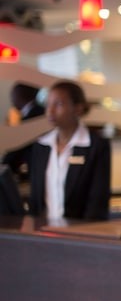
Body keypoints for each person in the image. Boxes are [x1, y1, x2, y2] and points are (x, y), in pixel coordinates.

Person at [28, 81, 111, 220]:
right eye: (48, 104)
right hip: (43, 229)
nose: (50, 111)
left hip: (80, 230)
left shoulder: (96, 146)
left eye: (58, 104)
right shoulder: (41, 145)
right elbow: (35, 198)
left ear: (78, 108)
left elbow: (98, 200)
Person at [3, 82, 46, 181]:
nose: (11, 100)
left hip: (37, 171)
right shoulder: (39, 112)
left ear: (19, 94)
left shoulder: (32, 117)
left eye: (12, 95)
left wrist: (4, 165)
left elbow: (17, 146)